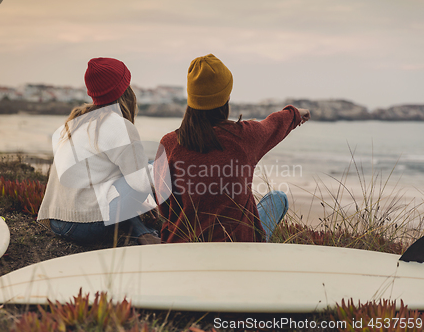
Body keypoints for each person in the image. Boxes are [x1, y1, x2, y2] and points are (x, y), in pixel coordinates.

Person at [154, 54, 310, 243]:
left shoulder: (169, 143)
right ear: (226, 96)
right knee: (278, 198)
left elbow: (164, 207)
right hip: (240, 245)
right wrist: (295, 113)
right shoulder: (245, 136)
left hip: (183, 246)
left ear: (192, 98)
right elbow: (273, 124)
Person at [37, 57, 160, 245]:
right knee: (155, 168)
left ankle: (144, 234)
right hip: (85, 226)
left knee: (118, 181)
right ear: (125, 91)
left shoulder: (77, 122)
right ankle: (162, 230)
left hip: (57, 222)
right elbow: (141, 185)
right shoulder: (119, 126)